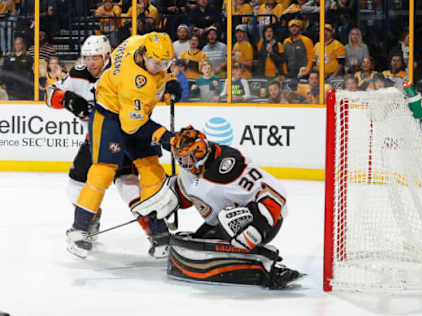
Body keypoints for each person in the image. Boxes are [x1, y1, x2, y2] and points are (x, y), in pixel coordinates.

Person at [65, 32, 183, 259]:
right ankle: (79, 229)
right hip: (110, 117)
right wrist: (166, 137)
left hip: (132, 114)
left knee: (151, 169)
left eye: (166, 63)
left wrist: (169, 80)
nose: (161, 67)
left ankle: (159, 235)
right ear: (144, 55)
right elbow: (133, 127)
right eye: (157, 63)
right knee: (103, 171)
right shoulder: (136, 82)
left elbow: (157, 63)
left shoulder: (141, 43)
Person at [165, 126, 303, 289]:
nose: (183, 163)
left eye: (186, 158)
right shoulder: (192, 165)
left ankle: (265, 265)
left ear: (199, 151)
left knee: (227, 219)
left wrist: (258, 227)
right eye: (179, 158)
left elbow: (274, 193)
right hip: (224, 218)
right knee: (200, 239)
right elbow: (191, 194)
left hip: (263, 220)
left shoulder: (228, 165)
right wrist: (169, 201)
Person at [45, 35, 143, 255]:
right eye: (87, 57)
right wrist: (66, 99)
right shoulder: (78, 73)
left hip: (123, 138)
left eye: (96, 57)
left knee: (127, 183)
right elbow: (49, 95)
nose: (91, 62)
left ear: (107, 56)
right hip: (94, 141)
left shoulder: (120, 72)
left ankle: (156, 232)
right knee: (75, 184)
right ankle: (90, 221)